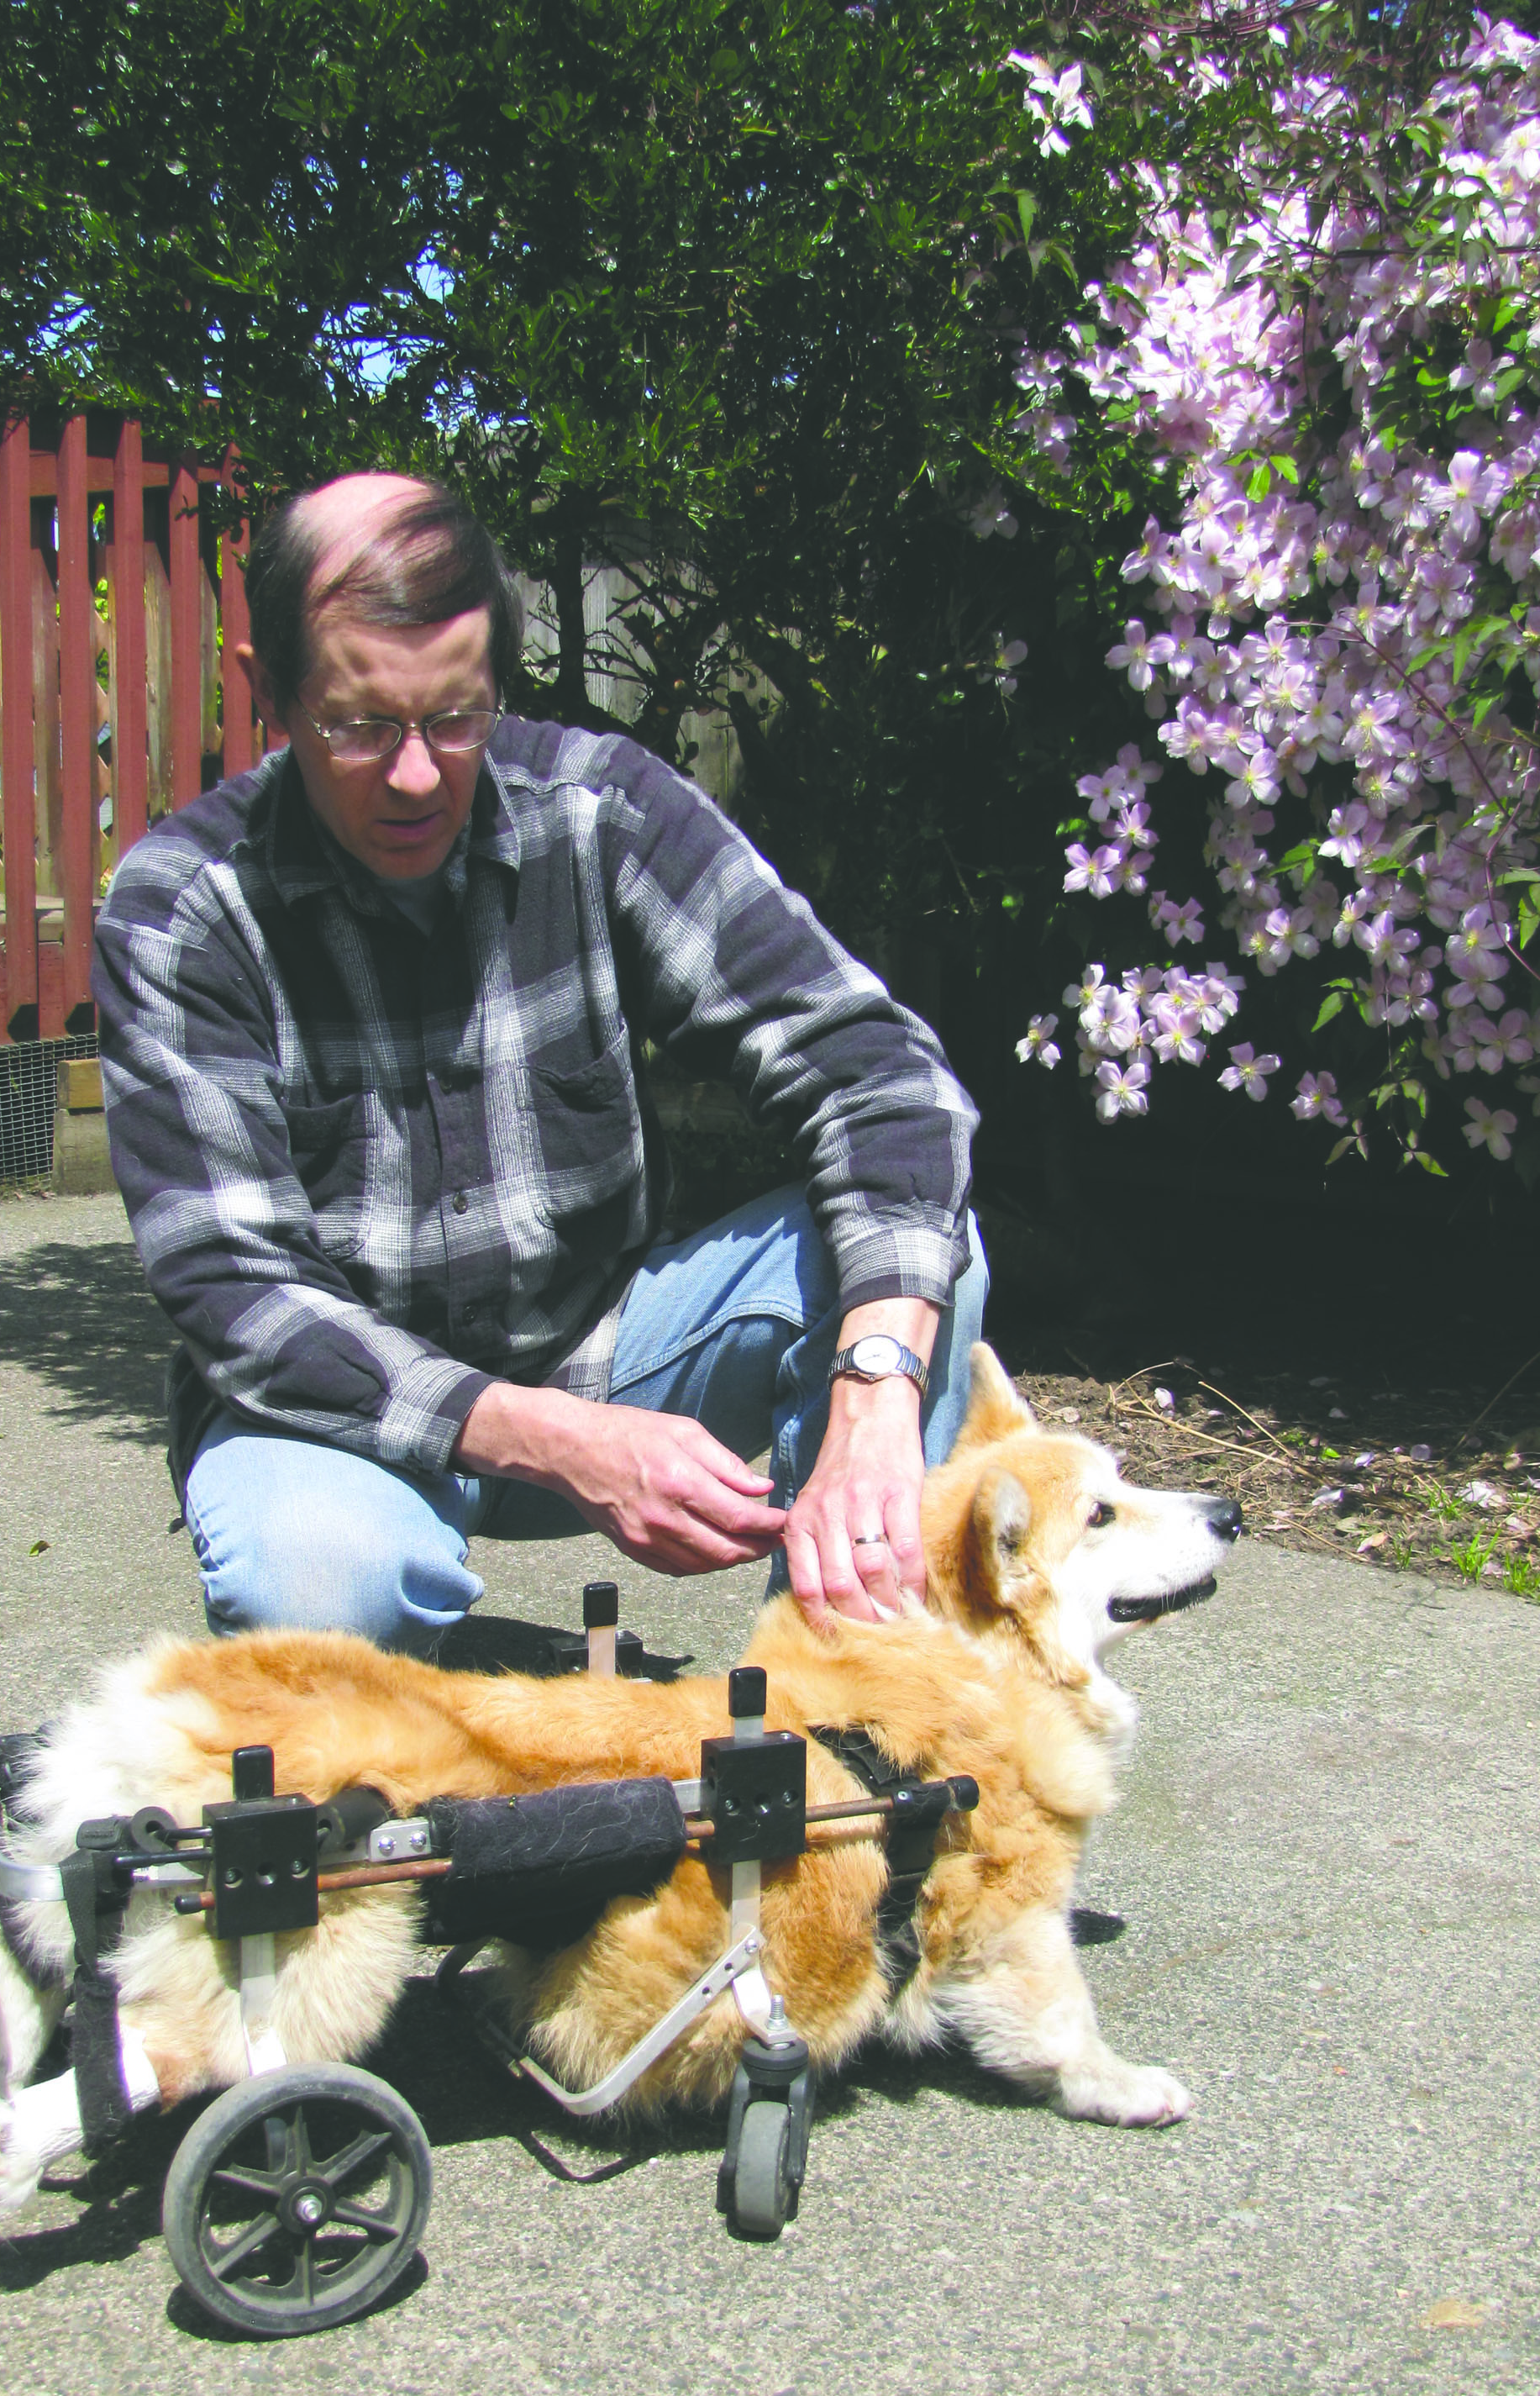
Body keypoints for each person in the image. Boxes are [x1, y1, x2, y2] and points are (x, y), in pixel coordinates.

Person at [93, 471, 985, 1653]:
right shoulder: (185, 914)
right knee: (323, 1586)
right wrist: (556, 1442)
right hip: (332, 1421)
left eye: (455, 718)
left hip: (606, 1353)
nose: (416, 775)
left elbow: (882, 1077)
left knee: (919, 1258)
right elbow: (236, 1294)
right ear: (271, 690)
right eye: (360, 725)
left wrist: (874, 1391)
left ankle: (830, 1712)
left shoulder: (603, 813)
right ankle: (488, 1721)